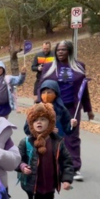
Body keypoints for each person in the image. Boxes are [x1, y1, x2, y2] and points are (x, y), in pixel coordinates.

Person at [17, 103, 74, 199]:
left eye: (43, 119)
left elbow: (66, 161)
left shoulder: (57, 142)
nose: (39, 122)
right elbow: (17, 159)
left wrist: (66, 179)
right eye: (35, 120)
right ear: (31, 123)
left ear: (50, 122)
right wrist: (22, 167)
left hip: (49, 184)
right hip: (32, 184)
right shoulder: (26, 142)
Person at [40, 40, 94, 181]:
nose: (60, 52)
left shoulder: (79, 67)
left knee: (73, 137)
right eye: (58, 50)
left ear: (69, 51)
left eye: (63, 49)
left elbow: (83, 90)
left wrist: (88, 109)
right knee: (54, 136)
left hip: (71, 108)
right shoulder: (48, 67)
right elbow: (41, 87)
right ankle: (54, 165)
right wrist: (39, 105)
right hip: (53, 107)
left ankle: (74, 168)